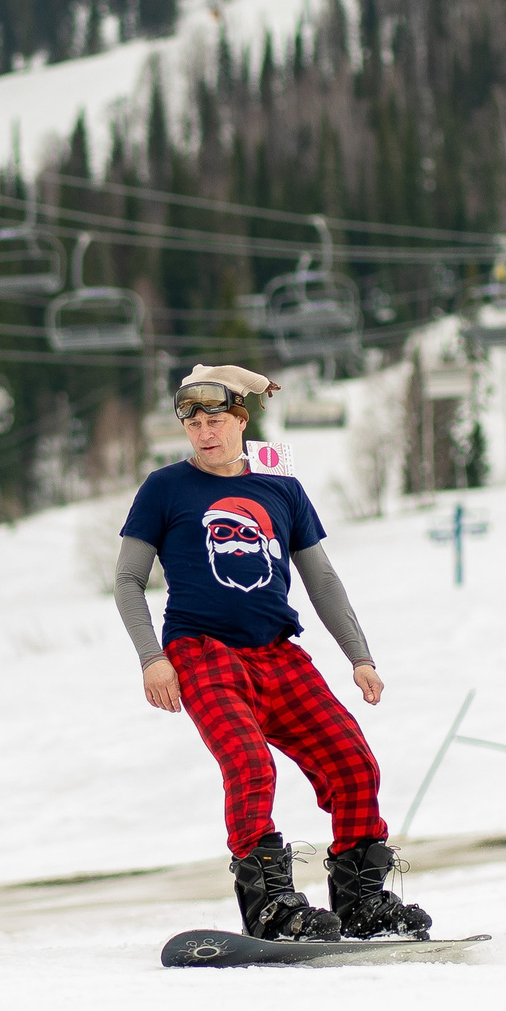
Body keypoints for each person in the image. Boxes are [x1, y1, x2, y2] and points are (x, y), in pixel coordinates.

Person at [115, 364, 431, 942]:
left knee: (354, 764)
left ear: (241, 421)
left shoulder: (280, 486)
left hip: (278, 655)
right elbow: (128, 580)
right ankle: (271, 909)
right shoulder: (165, 488)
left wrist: (359, 656)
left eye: (217, 420)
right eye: (194, 423)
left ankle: (361, 903)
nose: (205, 433)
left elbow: (321, 579)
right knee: (250, 765)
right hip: (202, 653)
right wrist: (151, 658)